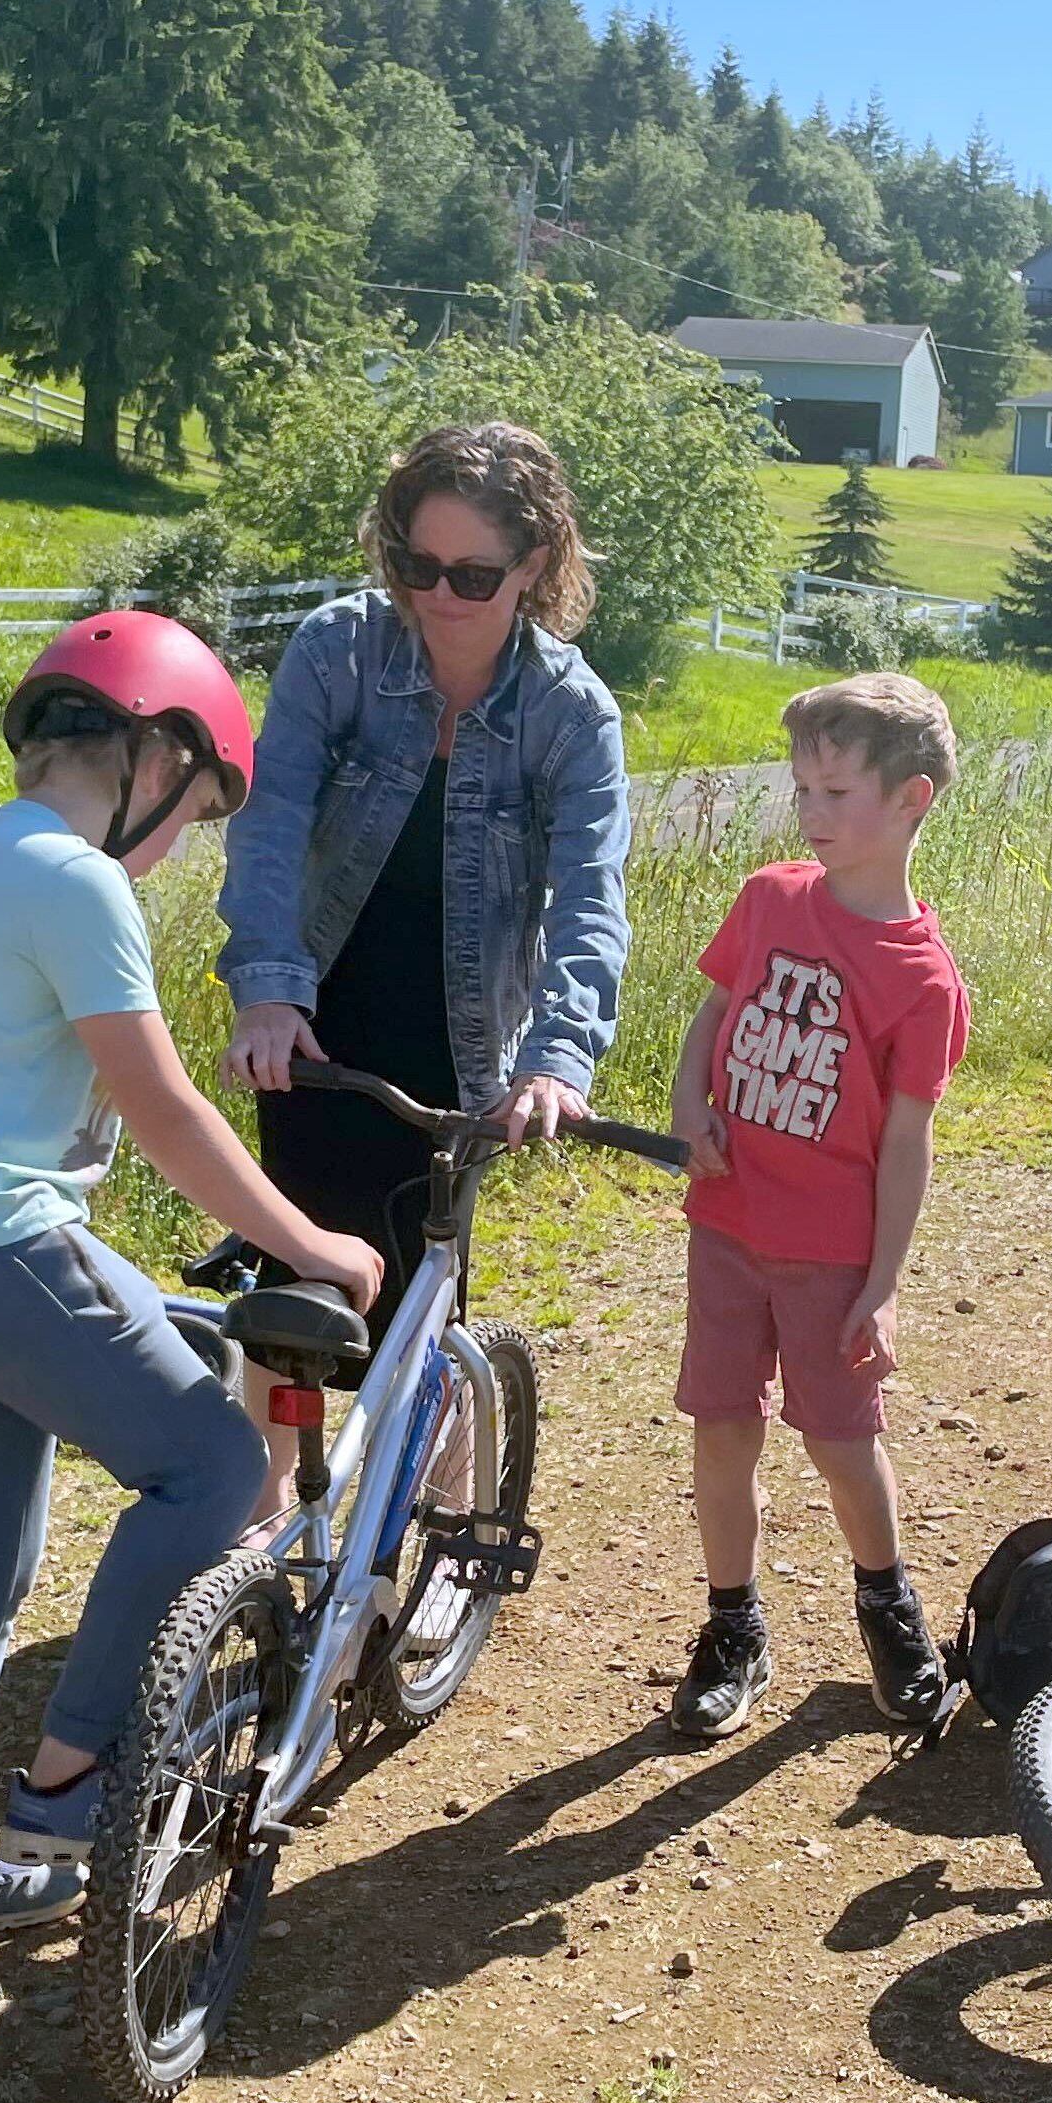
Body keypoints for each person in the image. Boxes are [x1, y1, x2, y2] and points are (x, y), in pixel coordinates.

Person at [0, 616, 383, 1957]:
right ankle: (68, 1787)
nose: (182, 840)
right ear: (155, 749)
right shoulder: (79, 883)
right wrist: (315, 1242)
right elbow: (169, 1108)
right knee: (205, 1459)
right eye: (195, 808)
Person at [216, 423, 633, 1500]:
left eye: (474, 574)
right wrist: (264, 988)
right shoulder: (337, 647)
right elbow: (270, 824)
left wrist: (560, 1061)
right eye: (415, 564)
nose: (439, 594)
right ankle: (257, 1545)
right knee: (292, 1281)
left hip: (462, 1036)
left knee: (422, 1313)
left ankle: (422, 1561)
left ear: (535, 567)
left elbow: (591, 898)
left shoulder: (571, 712)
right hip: (312, 1022)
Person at [661, 673, 972, 1742]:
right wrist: (686, 1098)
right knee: (721, 1424)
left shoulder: (922, 980)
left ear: (910, 799)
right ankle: (732, 1627)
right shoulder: (770, 897)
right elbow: (715, 1007)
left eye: (836, 792)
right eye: (802, 791)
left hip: (829, 1253)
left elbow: (905, 1141)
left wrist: (882, 1289)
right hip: (728, 1223)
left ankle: (887, 1604)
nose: (812, 813)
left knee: (841, 1443)